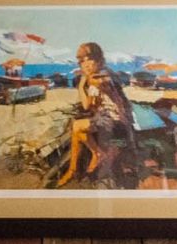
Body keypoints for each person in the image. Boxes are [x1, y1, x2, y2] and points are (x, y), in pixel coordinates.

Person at [57, 42, 136, 187]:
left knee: (76, 126)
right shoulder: (92, 79)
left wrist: (87, 79)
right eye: (82, 61)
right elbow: (87, 105)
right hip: (106, 119)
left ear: (99, 60)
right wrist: (81, 85)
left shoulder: (104, 75)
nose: (86, 64)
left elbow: (101, 82)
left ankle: (84, 162)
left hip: (117, 124)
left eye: (89, 59)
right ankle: (77, 166)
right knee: (77, 130)